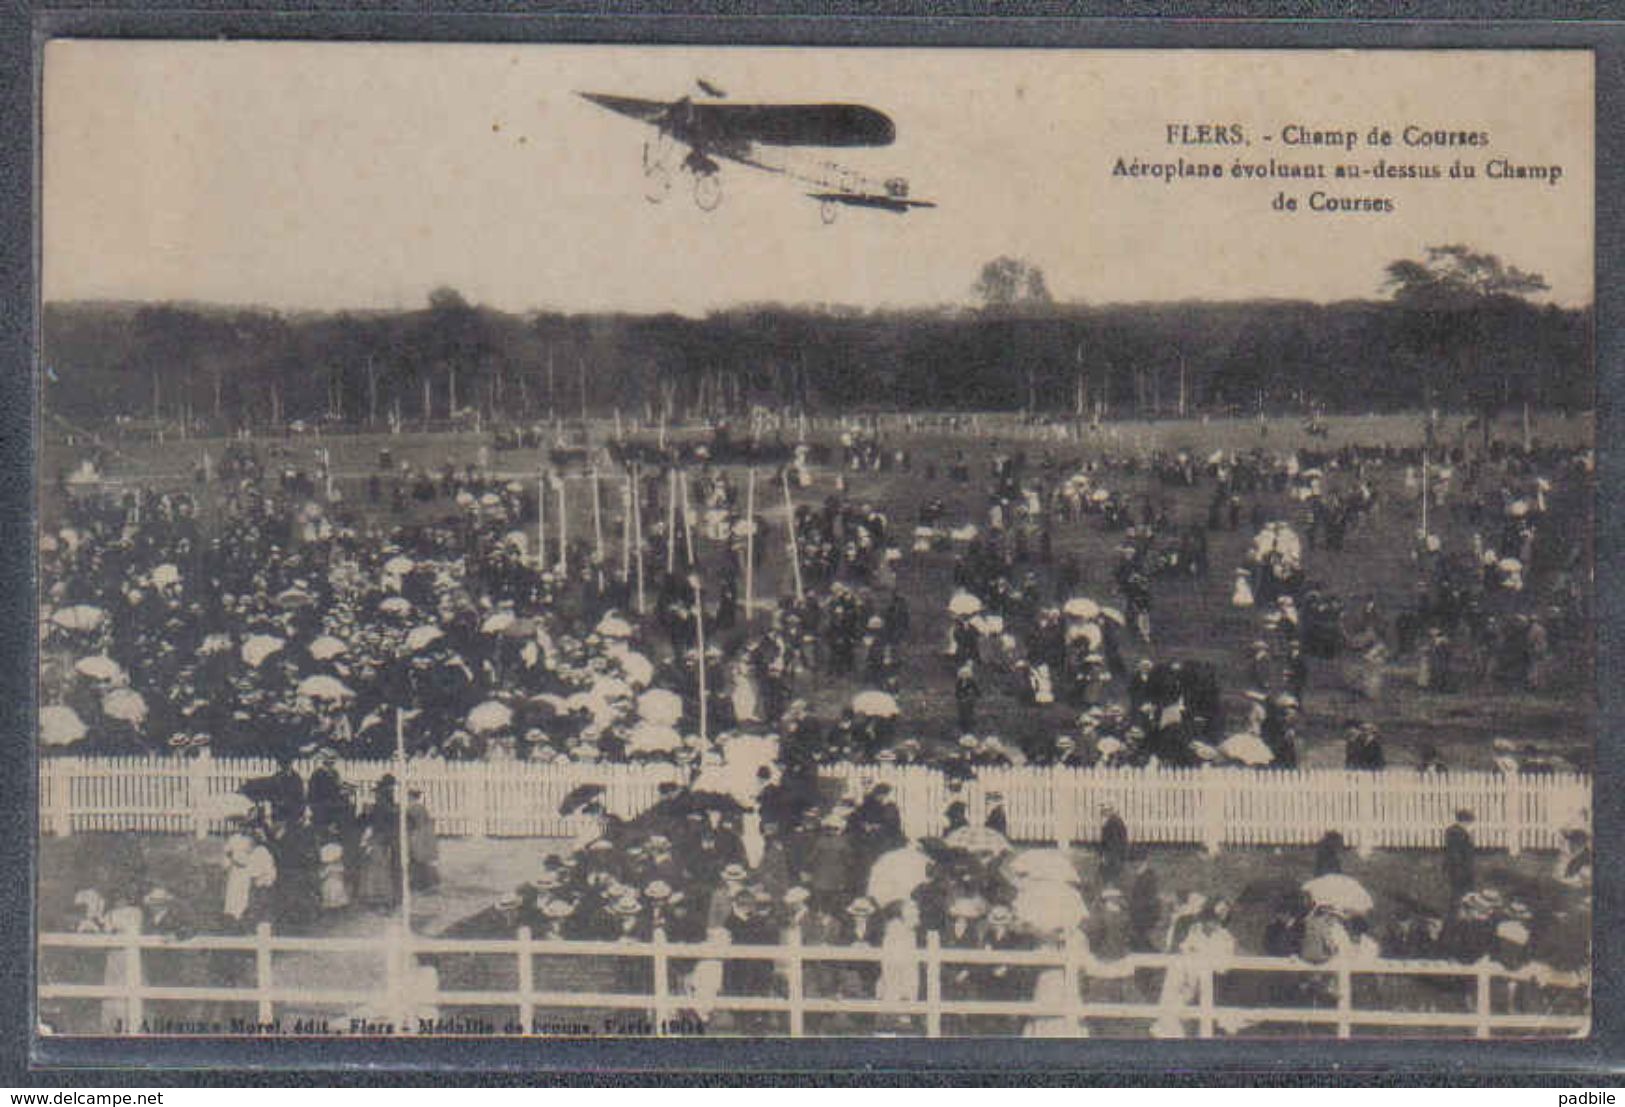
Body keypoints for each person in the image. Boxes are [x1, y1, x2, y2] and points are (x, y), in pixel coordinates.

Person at [405, 788, 440, 891]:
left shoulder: (414, 808)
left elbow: (416, 824)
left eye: (409, 797)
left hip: (418, 835)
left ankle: (420, 883)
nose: (408, 799)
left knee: (418, 859)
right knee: (420, 860)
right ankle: (424, 882)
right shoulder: (420, 808)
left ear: (411, 797)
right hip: (423, 835)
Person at [1443, 809, 1476, 903]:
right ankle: (1455, 912)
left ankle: (1460, 909)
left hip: (1463, 866)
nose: (1470, 826)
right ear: (1464, 822)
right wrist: (1461, 867)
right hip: (1459, 867)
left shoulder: (1460, 832)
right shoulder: (1457, 833)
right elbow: (1455, 853)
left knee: (1462, 892)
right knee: (1459, 892)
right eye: (1469, 823)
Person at [1098, 805, 1129, 887]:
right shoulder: (1112, 821)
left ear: (1111, 811)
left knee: (1110, 874)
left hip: (1114, 856)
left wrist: (1105, 855)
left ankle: (1111, 887)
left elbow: (1114, 842)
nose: (1102, 813)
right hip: (1115, 855)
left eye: (1105, 811)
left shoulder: (1113, 823)